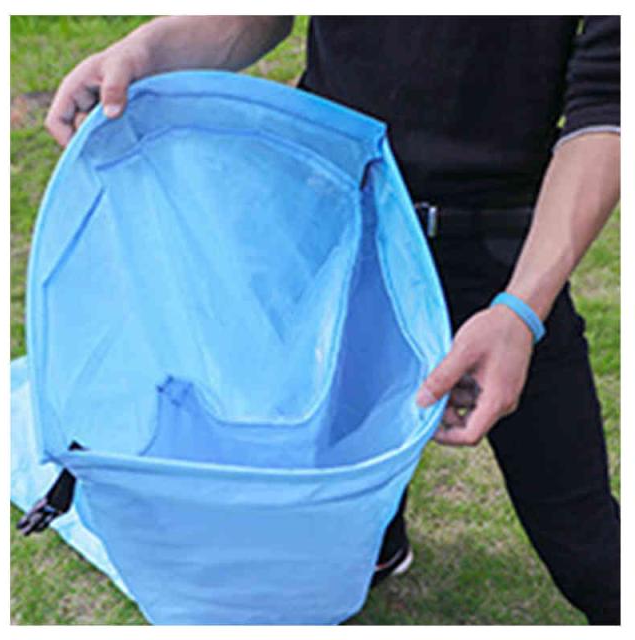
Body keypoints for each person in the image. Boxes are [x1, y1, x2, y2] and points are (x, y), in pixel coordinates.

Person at [44, 16, 621, 624]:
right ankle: (376, 543)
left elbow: (607, 108)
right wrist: (145, 50)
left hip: (498, 256)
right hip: (331, 224)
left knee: (585, 543)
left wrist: (522, 311)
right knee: (322, 465)